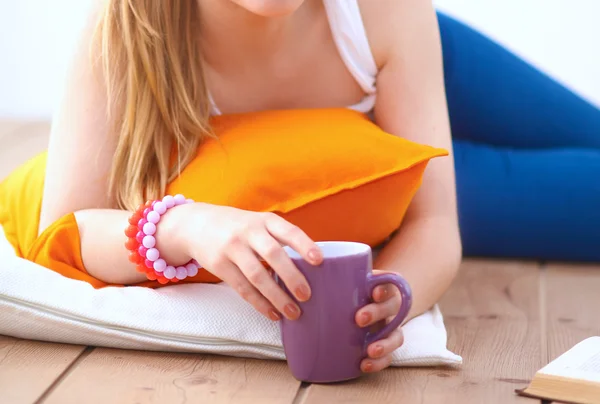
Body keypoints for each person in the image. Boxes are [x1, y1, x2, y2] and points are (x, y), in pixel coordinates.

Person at [38, 0, 600, 375]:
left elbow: (434, 222)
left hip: (403, 78)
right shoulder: (127, 28)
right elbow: (60, 232)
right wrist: (184, 225)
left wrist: (388, 300)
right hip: (374, 162)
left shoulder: (387, 13)